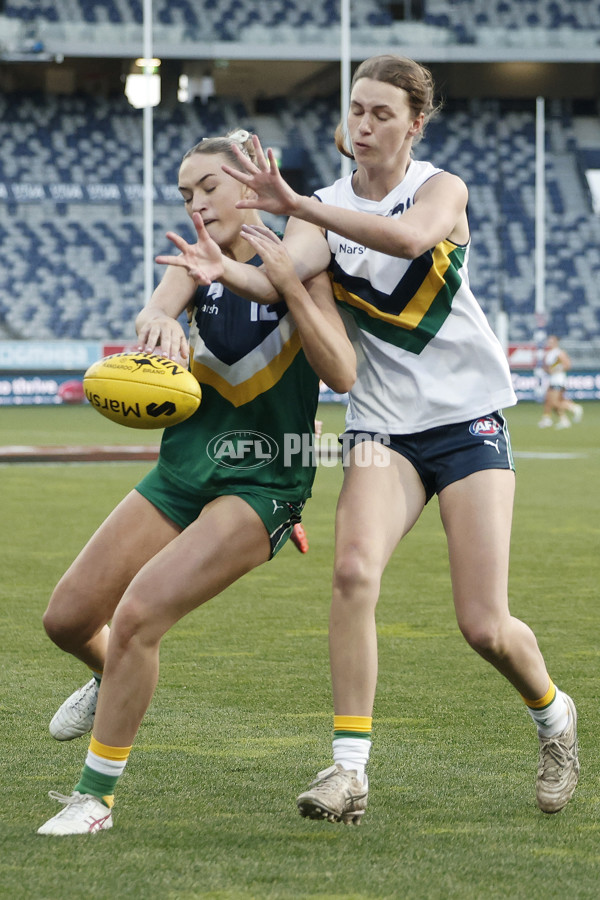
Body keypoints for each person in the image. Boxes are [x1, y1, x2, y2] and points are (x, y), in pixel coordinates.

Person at [183, 55, 580, 824]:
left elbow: (406, 241)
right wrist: (223, 270)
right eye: (356, 111)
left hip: (468, 420)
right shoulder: (318, 207)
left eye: (382, 114)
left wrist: (305, 207)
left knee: (483, 624)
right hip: (381, 428)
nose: (363, 125)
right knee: (353, 572)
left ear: (414, 124)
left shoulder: (439, 189)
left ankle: (555, 717)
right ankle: (348, 772)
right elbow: (281, 280)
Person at [37, 129, 355, 835]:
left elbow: (342, 372)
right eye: (186, 193)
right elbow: (157, 304)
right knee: (66, 619)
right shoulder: (194, 261)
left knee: (142, 611)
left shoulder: (305, 259)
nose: (196, 203)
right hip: (182, 470)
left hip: (265, 485)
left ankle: (96, 800)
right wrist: (159, 328)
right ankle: (108, 675)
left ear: (250, 184)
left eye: (208, 187)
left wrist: (293, 289)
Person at [538, 334, 583, 429]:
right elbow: (548, 367)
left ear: (555, 343)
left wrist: (555, 370)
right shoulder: (549, 353)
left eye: (551, 341)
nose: (549, 343)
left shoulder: (559, 353)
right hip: (552, 379)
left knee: (554, 402)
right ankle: (562, 420)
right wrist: (546, 369)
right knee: (548, 400)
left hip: (558, 380)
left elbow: (567, 365)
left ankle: (573, 408)